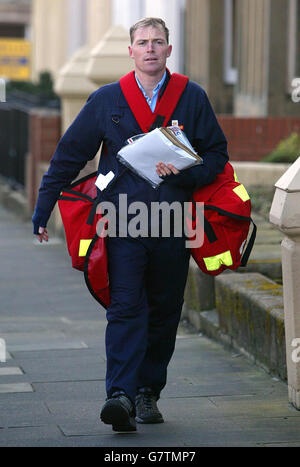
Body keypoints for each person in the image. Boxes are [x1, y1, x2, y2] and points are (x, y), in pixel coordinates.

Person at [32, 17, 229, 432]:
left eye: (159, 42)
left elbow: (216, 156)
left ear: (169, 50)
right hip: (121, 222)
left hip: (175, 223)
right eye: (143, 42)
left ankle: (147, 392)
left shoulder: (191, 97)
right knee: (125, 307)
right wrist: (42, 208)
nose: (151, 49)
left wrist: (184, 174)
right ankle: (119, 394)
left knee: (164, 311)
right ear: (131, 51)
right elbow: (70, 155)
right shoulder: (107, 100)